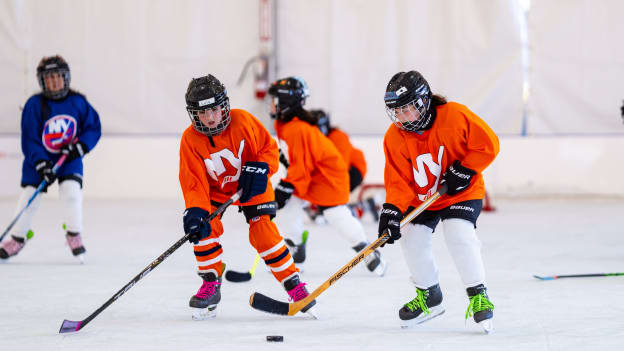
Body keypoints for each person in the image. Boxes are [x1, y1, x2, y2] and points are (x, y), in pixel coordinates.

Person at [179, 74, 316, 320]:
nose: (210, 118)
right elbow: (193, 183)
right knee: (203, 228)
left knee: (263, 232)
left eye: (214, 110)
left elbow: (269, 148)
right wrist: (195, 210)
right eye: (203, 113)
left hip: (252, 182)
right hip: (215, 191)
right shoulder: (190, 140)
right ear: (193, 114)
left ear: (224, 106)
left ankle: (293, 284)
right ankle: (211, 282)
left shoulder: (243, 120)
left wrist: (261, 168)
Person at [378, 70, 499, 332]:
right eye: (395, 112)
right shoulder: (394, 136)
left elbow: (488, 144)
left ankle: (478, 293)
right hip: (423, 197)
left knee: (458, 233)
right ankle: (429, 296)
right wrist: (392, 211)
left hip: (460, 192)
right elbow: (398, 180)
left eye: (405, 109)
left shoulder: (454, 115)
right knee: (411, 237)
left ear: (422, 102)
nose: (400, 117)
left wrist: (466, 169)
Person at [268, 76, 386, 276]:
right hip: (315, 174)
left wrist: (286, 187)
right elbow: (299, 159)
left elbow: (302, 166)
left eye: (273, 100)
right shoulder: (288, 125)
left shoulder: (296, 128)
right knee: (292, 203)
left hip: (328, 177)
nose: (270, 105)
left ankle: (366, 249)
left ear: (285, 102)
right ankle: (296, 250)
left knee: (334, 213)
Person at [0, 55, 101, 263]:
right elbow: (29, 138)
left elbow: (93, 126)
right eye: (49, 78)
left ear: (66, 78)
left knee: (72, 194)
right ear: (41, 81)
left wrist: (80, 146)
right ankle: (18, 238)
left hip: (68, 158)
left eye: (58, 77)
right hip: (40, 158)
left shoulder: (78, 101)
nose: (54, 82)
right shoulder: (34, 104)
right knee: (29, 197)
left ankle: (74, 233)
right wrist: (40, 162)